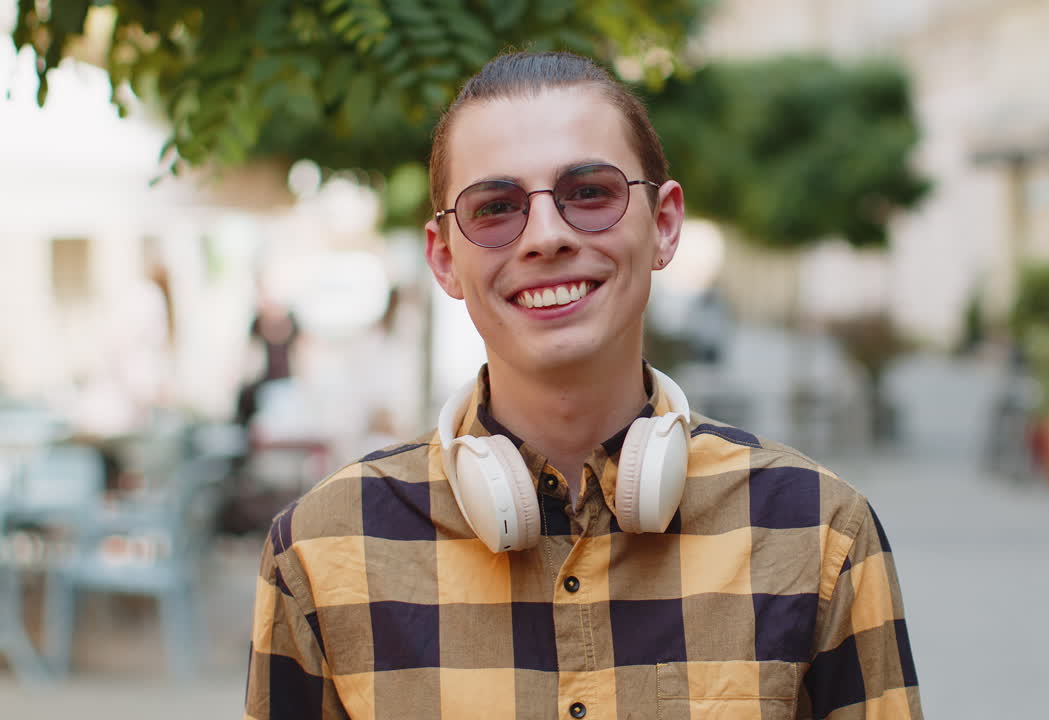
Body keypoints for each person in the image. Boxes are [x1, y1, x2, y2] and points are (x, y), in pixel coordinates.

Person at [245, 51, 921, 719]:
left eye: (590, 193)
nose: (545, 237)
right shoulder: (321, 550)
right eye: (495, 207)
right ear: (445, 259)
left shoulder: (818, 533)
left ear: (664, 225)